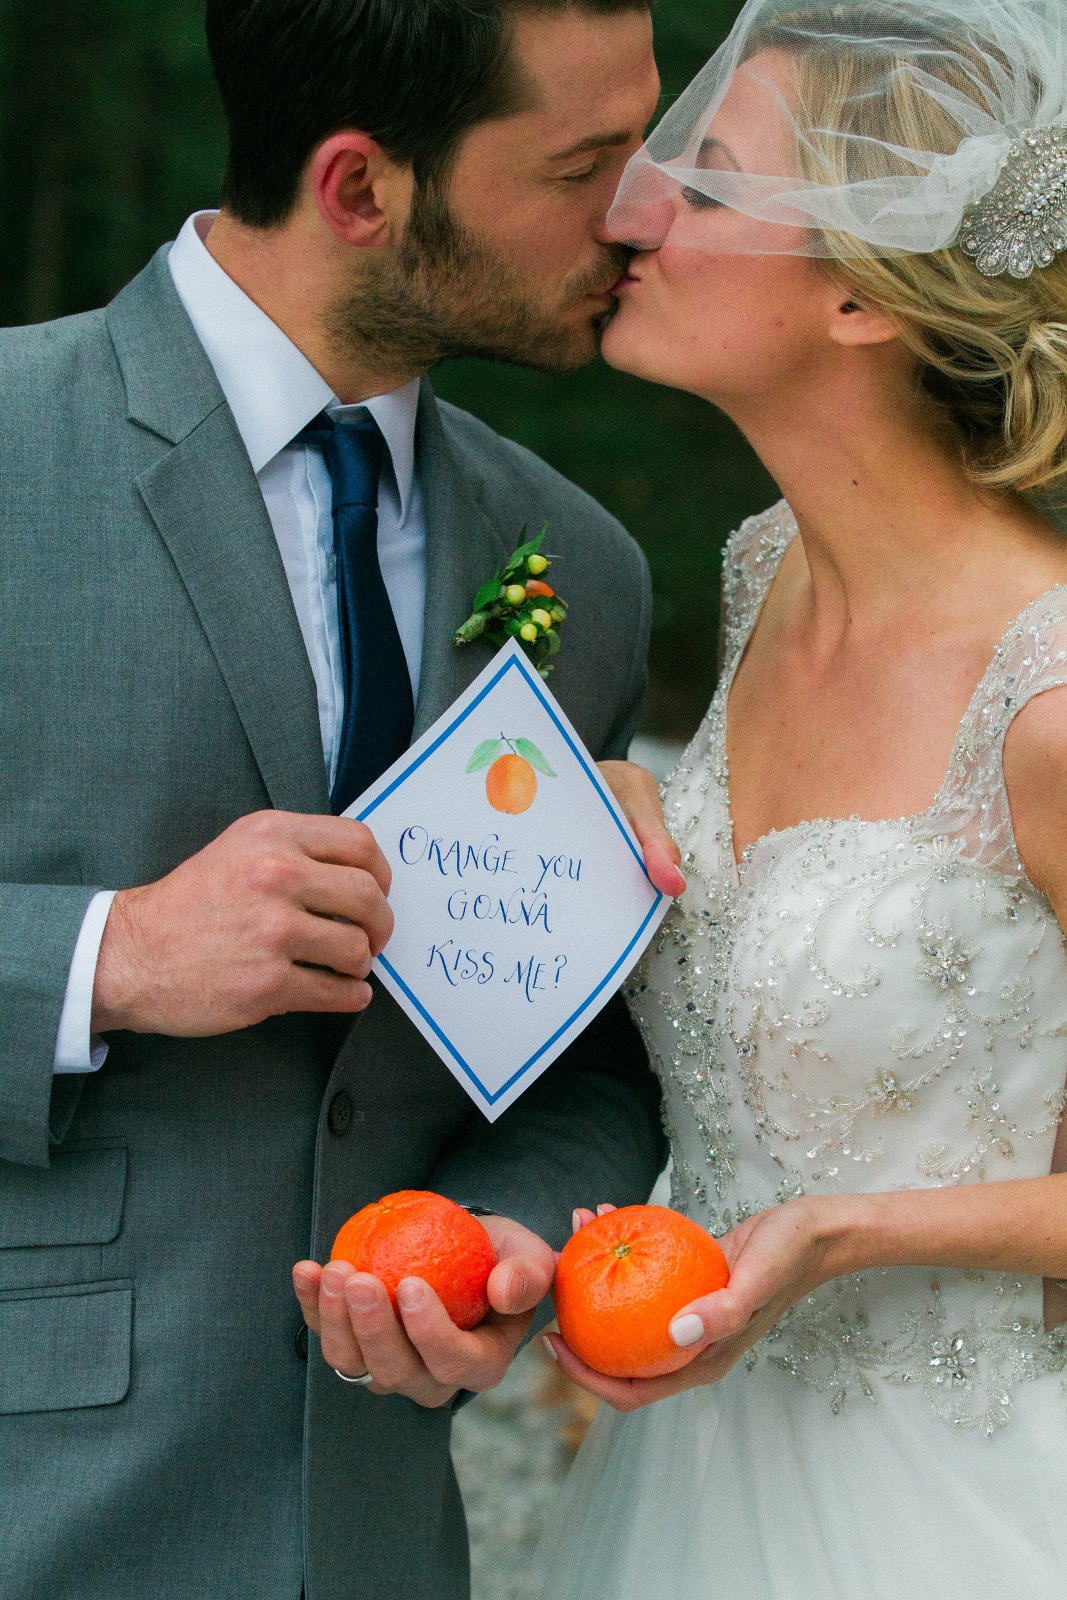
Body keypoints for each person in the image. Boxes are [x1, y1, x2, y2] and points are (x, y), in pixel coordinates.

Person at [0, 3, 680, 1597]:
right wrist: (111, 956)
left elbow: (594, 1055)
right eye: (587, 164)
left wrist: (508, 1230)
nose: (647, 211)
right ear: (362, 188)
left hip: (378, 1535)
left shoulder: (577, 562)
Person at [538, 1, 1067, 1595]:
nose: (632, 207)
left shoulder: (1049, 704)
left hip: (961, 1505)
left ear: (859, 293)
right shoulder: (763, 570)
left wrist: (848, 1234)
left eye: (706, 184)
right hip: (691, 1475)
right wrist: (630, 808)